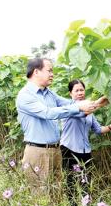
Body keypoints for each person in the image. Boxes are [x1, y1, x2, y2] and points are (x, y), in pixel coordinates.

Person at [16, 58, 103, 197]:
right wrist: (80, 107)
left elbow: (70, 104)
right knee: (40, 195)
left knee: (56, 192)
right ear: (36, 72)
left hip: (55, 150)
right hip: (38, 151)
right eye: (49, 70)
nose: (52, 74)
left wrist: (95, 104)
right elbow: (47, 113)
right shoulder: (25, 95)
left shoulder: (48, 92)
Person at [60, 79, 111, 204]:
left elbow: (98, 129)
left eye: (82, 90)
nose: (80, 93)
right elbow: (85, 111)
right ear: (70, 93)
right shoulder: (69, 108)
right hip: (69, 149)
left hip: (85, 150)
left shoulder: (90, 112)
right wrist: (102, 101)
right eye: (76, 90)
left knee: (86, 181)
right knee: (71, 181)